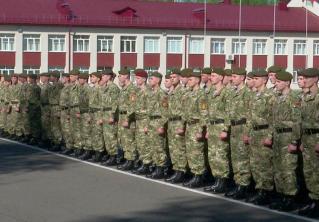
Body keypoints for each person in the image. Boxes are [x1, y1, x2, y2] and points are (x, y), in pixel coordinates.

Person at [269, 70, 301, 211]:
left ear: (287, 82)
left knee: (288, 169)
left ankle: (290, 197)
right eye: (276, 81)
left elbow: (297, 120)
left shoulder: (294, 97)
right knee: (278, 168)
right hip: (278, 136)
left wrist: (294, 141)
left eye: (280, 82)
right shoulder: (277, 97)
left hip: (288, 136)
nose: (277, 83)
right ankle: (281, 195)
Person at [245, 69, 275, 205]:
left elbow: (274, 118)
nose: (253, 80)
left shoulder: (270, 96)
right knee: (255, 164)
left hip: (264, 132)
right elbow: (250, 117)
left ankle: (266, 192)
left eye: (257, 79)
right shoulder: (254, 95)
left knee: (264, 164)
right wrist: (248, 133)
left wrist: (269, 136)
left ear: (264, 80)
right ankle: (259, 190)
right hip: (254, 133)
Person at [224, 67, 252, 200]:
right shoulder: (232, 92)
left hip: (242, 128)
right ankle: (238, 184)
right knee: (235, 158)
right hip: (234, 128)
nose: (231, 78)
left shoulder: (247, 93)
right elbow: (228, 112)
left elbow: (250, 116)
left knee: (243, 159)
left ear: (242, 78)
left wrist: (247, 133)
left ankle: (244, 186)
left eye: (234, 76)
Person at [297, 68, 319, 218]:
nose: (305, 80)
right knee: (309, 172)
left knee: (317, 173)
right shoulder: (305, 97)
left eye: (308, 78)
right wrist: (302, 140)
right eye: (303, 77)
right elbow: (302, 121)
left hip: (317, 138)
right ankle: (313, 201)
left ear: (316, 79)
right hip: (307, 138)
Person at [181, 69, 208, 188]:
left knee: (197, 152)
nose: (188, 81)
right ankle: (194, 175)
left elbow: (204, 113)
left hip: (197, 125)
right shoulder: (190, 93)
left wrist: (200, 130)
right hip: (189, 126)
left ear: (197, 80)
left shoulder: (201, 94)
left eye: (191, 79)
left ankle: (199, 176)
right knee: (191, 152)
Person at [165, 68, 189, 183]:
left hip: (178, 122)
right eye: (171, 77)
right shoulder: (172, 92)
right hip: (171, 123)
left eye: (174, 77)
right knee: (173, 149)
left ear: (180, 78)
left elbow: (185, 110)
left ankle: (181, 171)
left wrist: (182, 125)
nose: (172, 79)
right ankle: (176, 170)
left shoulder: (182, 91)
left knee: (179, 149)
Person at [145, 71, 169, 179]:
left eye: (152, 79)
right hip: (151, 122)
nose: (149, 80)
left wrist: (161, 125)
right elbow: (148, 111)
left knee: (159, 147)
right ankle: (155, 167)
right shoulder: (151, 93)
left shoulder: (161, 94)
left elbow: (165, 111)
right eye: (149, 79)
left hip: (158, 122)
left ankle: (160, 169)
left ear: (158, 80)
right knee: (152, 146)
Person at [117, 68, 138, 170]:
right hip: (122, 117)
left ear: (126, 76)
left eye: (120, 75)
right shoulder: (124, 88)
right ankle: (127, 160)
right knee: (124, 140)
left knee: (129, 140)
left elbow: (132, 105)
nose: (119, 77)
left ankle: (131, 161)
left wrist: (128, 119)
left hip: (127, 118)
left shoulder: (131, 89)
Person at [132, 69, 151, 173]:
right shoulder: (137, 91)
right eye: (135, 78)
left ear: (144, 79)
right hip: (138, 120)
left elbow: (150, 109)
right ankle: (142, 162)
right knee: (139, 143)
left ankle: (147, 164)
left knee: (145, 143)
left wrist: (148, 124)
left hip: (145, 120)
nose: (136, 80)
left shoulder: (148, 91)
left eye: (138, 78)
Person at [100, 69, 120, 166]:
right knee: (107, 136)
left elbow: (115, 103)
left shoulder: (113, 88)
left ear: (108, 77)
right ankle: (110, 154)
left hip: (110, 114)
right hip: (105, 113)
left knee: (111, 136)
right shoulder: (106, 87)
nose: (102, 77)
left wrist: (112, 115)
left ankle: (114, 157)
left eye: (103, 75)